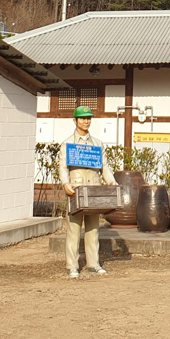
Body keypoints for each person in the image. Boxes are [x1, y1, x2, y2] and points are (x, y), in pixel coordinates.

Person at [57, 105, 115, 278]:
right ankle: (72, 265)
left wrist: (111, 181)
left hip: (94, 190)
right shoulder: (67, 144)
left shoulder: (98, 144)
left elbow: (104, 166)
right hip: (75, 191)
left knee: (93, 229)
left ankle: (93, 263)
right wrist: (65, 183)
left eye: (88, 118)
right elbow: (62, 167)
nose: (86, 121)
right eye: (82, 118)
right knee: (74, 229)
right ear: (75, 120)